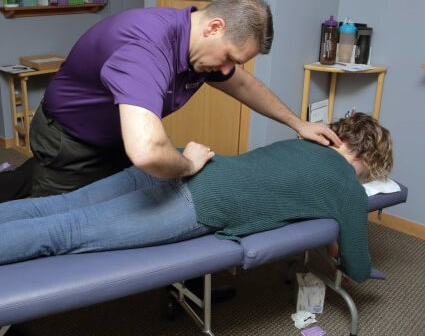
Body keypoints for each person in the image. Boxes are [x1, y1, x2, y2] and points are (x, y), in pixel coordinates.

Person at [0, 113, 393, 283]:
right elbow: (356, 264)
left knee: (59, 207)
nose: (362, 180)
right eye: (367, 172)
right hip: (197, 201)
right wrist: (355, 256)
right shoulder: (346, 183)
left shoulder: (302, 143)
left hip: (178, 166)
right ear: (361, 158)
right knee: (65, 233)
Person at [28, 0, 340, 197]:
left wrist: (298, 124)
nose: (228, 68)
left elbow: (243, 84)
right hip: (68, 142)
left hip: (116, 139)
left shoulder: (201, 51)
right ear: (215, 27)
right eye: (230, 57)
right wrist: (187, 164)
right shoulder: (146, 47)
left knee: (129, 206)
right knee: (52, 223)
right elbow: (148, 152)